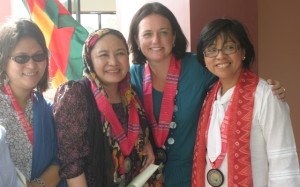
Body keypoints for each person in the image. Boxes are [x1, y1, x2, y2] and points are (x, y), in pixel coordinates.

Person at [128, 2, 287, 186]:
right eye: (147, 34)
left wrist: (269, 89)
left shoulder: (198, 66)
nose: (156, 40)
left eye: (163, 32)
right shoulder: (133, 76)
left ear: (173, 36)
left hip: (196, 176)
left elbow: (234, 76)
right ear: (137, 39)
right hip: (150, 177)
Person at [192, 18, 300, 187]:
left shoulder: (266, 95)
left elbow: (283, 163)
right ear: (204, 58)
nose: (220, 56)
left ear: (243, 51)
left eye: (229, 47)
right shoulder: (210, 99)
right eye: (212, 49)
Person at [53, 28, 155, 187]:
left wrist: (144, 141)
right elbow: (72, 162)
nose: (113, 62)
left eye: (120, 53)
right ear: (89, 59)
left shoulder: (131, 94)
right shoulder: (77, 94)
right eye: (103, 55)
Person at [0, 19, 66, 186]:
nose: (32, 65)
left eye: (39, 56)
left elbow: (63, 157)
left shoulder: (50, 110)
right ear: (3, 60)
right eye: (21, 58)